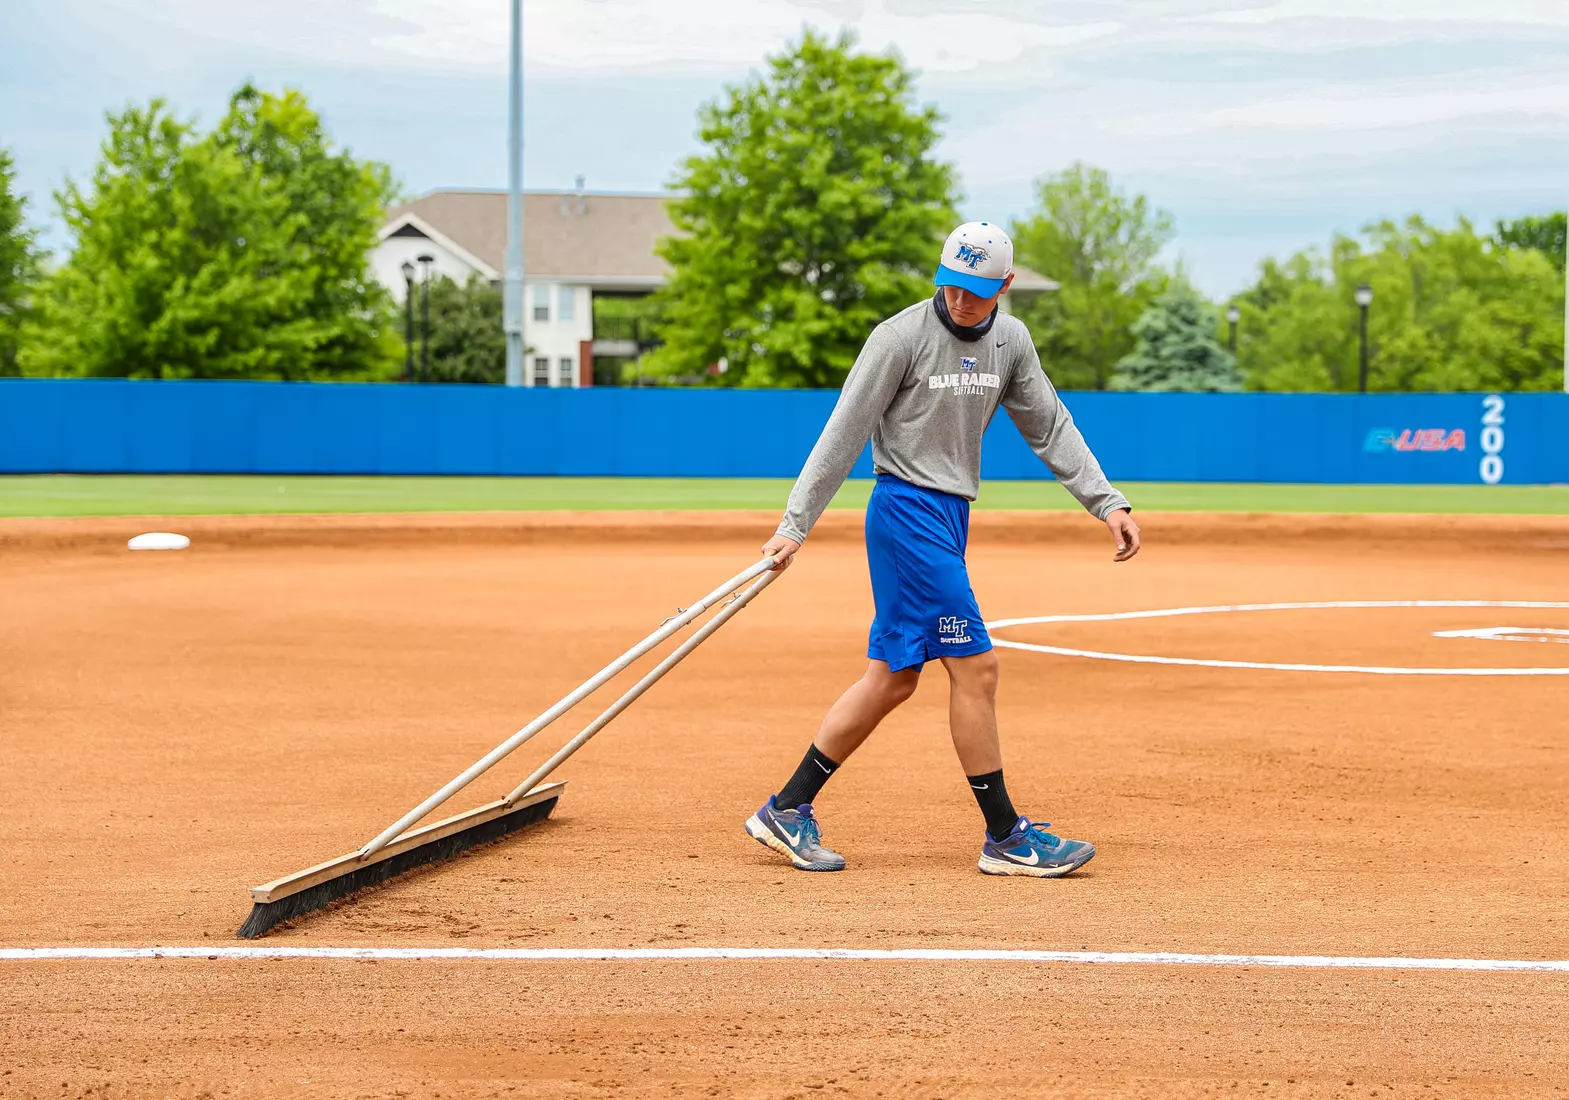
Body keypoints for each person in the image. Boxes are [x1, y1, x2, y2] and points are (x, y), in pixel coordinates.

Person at [745, 221, 1141, 878]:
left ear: (1004, 287)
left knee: (893, 679)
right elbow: (841, 434)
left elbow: (1049, 425)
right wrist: (795, 525)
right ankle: (1006, 836)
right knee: (976, 670)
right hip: (905, 512)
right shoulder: (897, 338)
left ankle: (786, 809)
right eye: (951, 286)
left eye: (976, 291)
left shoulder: (1010, 341)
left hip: (948, 517)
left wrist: (1105, 500)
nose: (960, 301)